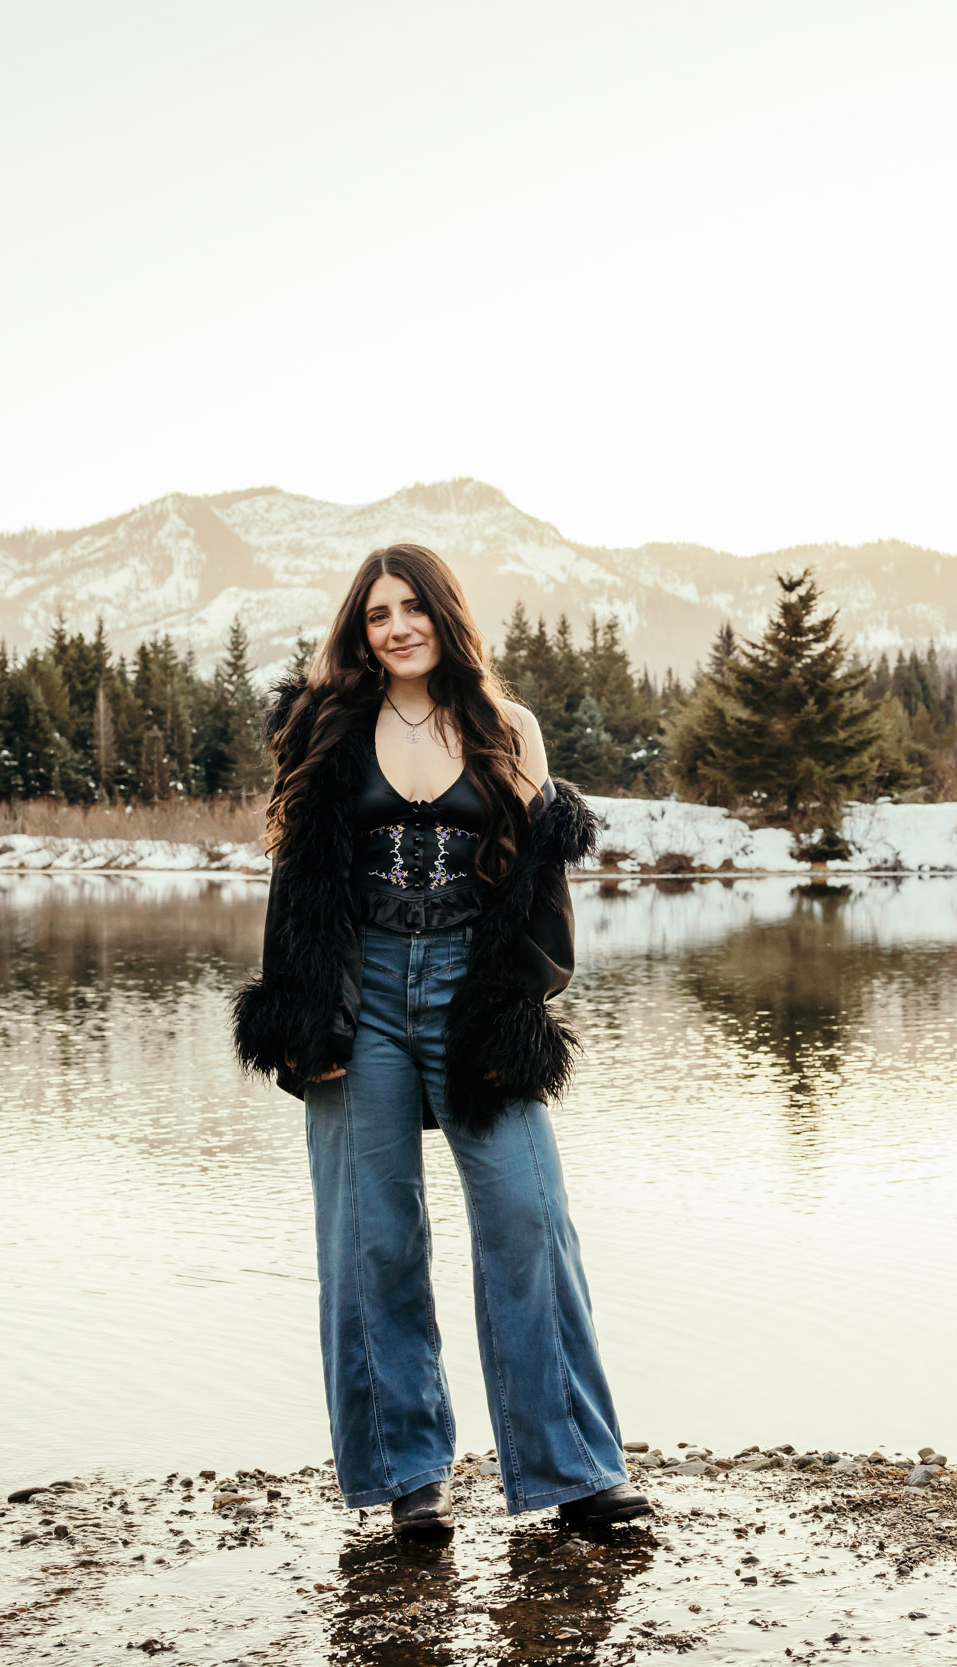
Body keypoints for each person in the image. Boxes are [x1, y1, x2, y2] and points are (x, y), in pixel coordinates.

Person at [233, 542, 649, 1540]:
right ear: (359, 629)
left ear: (444, 615)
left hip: (473, 991)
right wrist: (302, 1015)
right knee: (371, 1237)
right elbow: (298, 889)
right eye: (376, 613)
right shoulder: (324, 726)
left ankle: (575, 1470)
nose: (396, 626)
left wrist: (520, 1007)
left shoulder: (509, 729)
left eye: (411, 607)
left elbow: (540, 893)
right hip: (360, 990)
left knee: (528, 1218)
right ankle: (409, 1473)